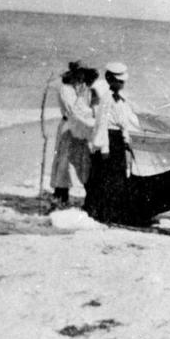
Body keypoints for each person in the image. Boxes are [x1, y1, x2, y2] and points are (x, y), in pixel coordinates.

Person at [84, 62, 140, 224]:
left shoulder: (120, 99)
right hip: (109, 139)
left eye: (123, 81)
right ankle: (103, 214)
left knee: (116, 178)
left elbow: (125, 122)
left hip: (117, 139)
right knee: (107, 178)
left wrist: (126, 139)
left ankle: (111, 213)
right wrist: (104, 147)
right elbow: (102, 123)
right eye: (119, 81)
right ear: (110, 80)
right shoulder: (107, 98)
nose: (122, 84)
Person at [50, 61, 98, 206]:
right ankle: (61, 194)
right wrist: (93, 116)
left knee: (83, 159)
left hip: (83, 127)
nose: (81, 79)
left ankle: (90, 192)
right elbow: (74, 110)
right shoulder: (66, 89)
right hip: (69, 126)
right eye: (79, 75)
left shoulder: (87, 89)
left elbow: (92, 106)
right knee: (63, 161)